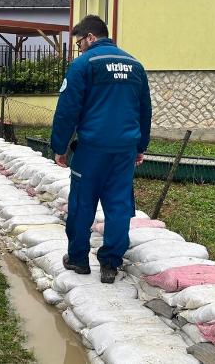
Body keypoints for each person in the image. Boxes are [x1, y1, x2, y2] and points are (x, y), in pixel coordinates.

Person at [50, 15, 152, 284]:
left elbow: (67, 110)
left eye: (80, 42)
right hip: (124, 151)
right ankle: (110, 264)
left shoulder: (84, 65)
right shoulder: (135, 65)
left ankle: (78, 259)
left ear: (91, 37)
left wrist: (59, 147)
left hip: (91, 149)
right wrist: (141, 146)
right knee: (119, 205)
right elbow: (144, 111)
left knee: (83, 203)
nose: (79, 47)